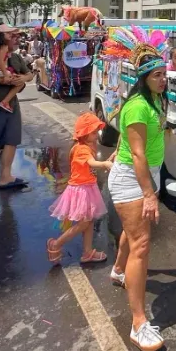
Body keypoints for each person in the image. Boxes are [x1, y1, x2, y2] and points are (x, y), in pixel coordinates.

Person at [108, 48, 168, 350]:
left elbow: (130, 140)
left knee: (133, 236)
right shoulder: (137, 105)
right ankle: (138, 324)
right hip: (132, 178)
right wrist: (148, 195)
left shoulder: (155, 100)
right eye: (157, 75)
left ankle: (118, 271)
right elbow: (136, 152)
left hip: (147, 174)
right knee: (141, 246)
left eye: (164, 74)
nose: (163, 79)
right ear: (143, 78)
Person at [46, 113, 112, 264]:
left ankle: (87, 252)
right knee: (84, 223)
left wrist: (105, 162)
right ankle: (56, 244)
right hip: (81, 190)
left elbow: (91, 165)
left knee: (88, 221)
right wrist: (104, 164)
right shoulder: (82, 149)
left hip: (86, 187)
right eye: (94, 132)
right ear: (84, 134)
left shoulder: (85, 146)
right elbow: (91, 163)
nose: (97, 135)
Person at [0, 24, 34, 189]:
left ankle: (6, 176)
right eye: (13, 36)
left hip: (11, 105)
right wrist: (0, 80)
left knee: (11, 140)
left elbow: (29, 74)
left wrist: (23, 79)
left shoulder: (16, 57)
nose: (17, 39)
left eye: (17, 36)